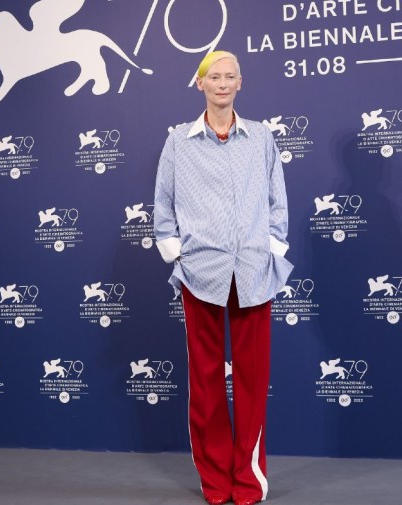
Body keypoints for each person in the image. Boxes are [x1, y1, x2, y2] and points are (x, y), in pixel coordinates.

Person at [153, 51, 292, 505]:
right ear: (200, 83)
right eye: (215, 76)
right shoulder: (178, 142)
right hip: (201, 274)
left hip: (253, 273)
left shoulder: (262, 138)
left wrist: (271, 251)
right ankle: (215, 480)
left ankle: (248, 480)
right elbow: (163, 207)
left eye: (230, 76)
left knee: (253, 382)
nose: (222, 83)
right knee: (207, 384)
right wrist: (181, 258)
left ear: (240, 83)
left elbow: (277, 204)